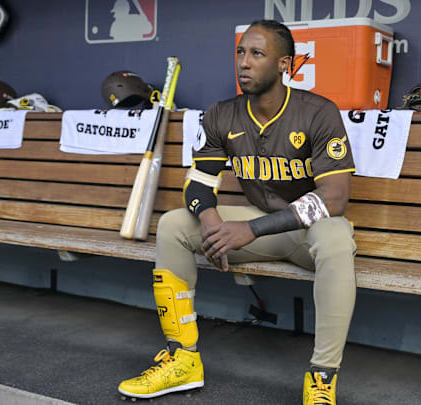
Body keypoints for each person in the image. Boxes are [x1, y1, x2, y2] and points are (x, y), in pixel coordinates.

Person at [118, 19, 357, 405]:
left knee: (336, 236)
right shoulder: (221, 114)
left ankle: (322, 377)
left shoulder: (318, 112)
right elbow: (198, 184)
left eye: (257, 54)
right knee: (175, 224)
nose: (244, 62)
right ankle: (182, 358)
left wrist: (251, 230)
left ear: (284, 64)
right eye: (241, 52)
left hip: (302, 233)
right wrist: (213, 225)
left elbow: (334, 199)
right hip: (255, 225)